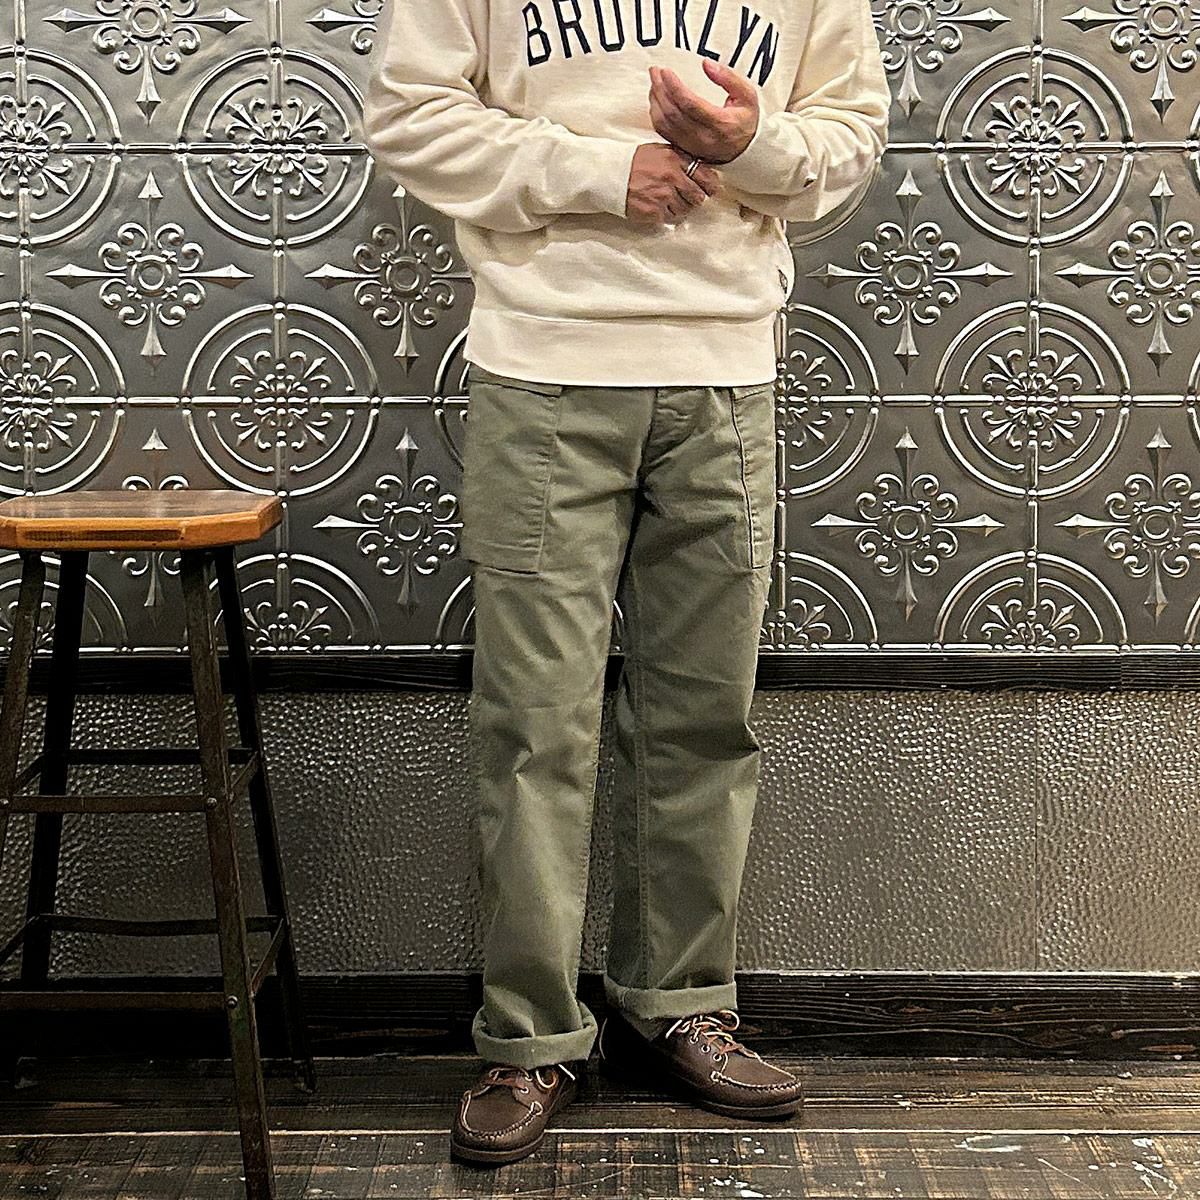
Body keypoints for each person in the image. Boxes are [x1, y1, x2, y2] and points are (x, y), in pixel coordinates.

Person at [364, 0, 889, 1165]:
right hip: (542, 368)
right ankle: (530, 1039)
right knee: (533, 723)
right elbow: (407, 116)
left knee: (704, 716)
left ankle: (679, 1007)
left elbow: (850, 136)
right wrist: (603, 174)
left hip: (727, 376)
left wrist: (748, 145)